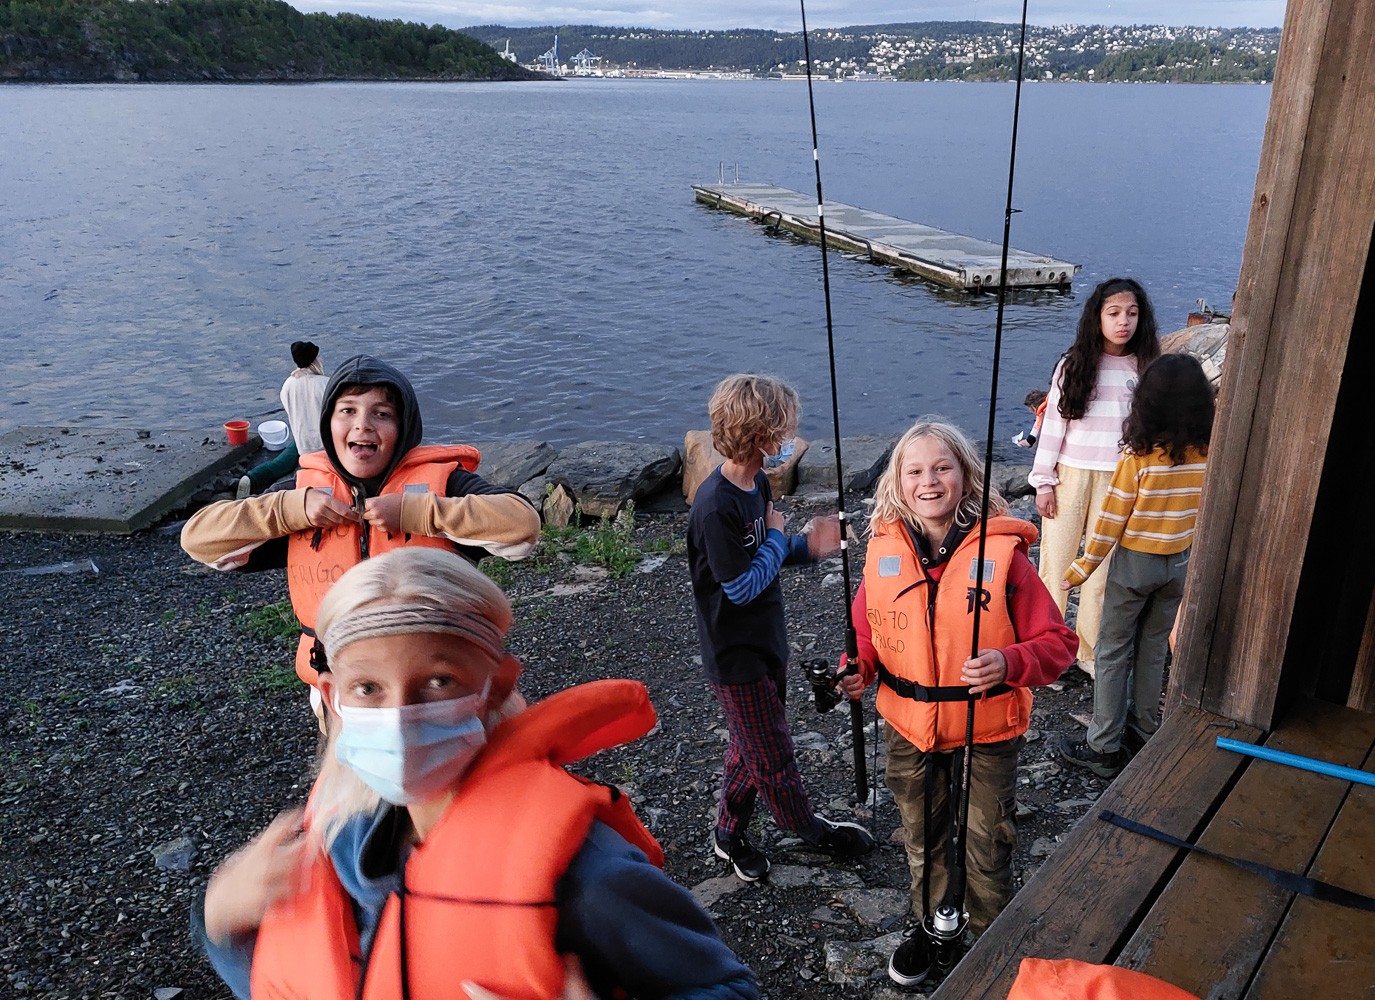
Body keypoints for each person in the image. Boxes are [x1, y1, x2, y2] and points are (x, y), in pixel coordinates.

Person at [195, 547, 759, 1000]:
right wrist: (220, 920)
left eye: (438, 681)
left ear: (499, 685)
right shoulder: (329, 842)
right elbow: (278, 977)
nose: (399, 716)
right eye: (367, 688)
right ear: (331, 696)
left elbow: (728, 987)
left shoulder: (587, 876)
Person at [837, 419, 1076, 987]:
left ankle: (995, 945)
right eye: (914, 470)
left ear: (966, 476)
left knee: (988, 841)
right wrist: (857, 671)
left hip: (986, 730)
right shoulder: (882, 553)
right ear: (897, 482)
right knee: (922, 835)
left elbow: (1058, 644)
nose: (929, 480)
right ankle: (929, 925)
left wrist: (1009, 662)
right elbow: (868, 635)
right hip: (908, 727)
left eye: (942, 467)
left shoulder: (1006, 557)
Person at [182, 355, 541, 696]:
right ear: (328, 423)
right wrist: (288, 509)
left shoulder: (445, 484)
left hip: (439, 685)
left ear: (404, 427)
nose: (363, 424)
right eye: (347, 411)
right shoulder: (299, 495)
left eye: (381, 413)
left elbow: (522, 523)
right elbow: (198, 538)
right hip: (341, 690)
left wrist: (420, 514)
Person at [686, 373, 874, 883]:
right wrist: (776, 535)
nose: (791, 439)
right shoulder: (714, 507)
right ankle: (807, 827)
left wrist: (809, 546)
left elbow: (767, 556)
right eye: (785, 431)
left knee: (752, 743)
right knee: (773, 754)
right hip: (735, 655)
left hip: (768, 641)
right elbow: (742, 586)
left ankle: (728, 832)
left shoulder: (758, 484)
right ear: (759, 438)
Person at [1057, 354, 1213, 778]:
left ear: (1146, 403)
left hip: (1135, 565)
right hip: (1176, 564)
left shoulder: (1139, 458)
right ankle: (1144, 731)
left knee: (1112, 652)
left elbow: (1110, 523)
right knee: (1152, 650)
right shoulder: (1206, 454)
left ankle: (1103, 745)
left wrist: (1079, 570)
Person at [1029, 278, 1160, 678]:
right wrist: (1044, 481)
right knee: (1057, 563)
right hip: (1071, 475)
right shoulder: (1075, 364)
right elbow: (1054, 425)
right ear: (1097, 317)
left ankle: (1089, 650)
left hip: (1119, 481)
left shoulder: (1145, 367)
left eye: (1132, 314)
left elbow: (1147, 432)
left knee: (1101, 570)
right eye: (1114, 313)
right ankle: (1046, 649)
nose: (1124, 322)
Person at [236, 341, 330, 498]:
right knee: (303, 470)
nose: (321, 359)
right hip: (324, 446)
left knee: (279, 464)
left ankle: (252, 478)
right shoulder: (326, 384)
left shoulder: (288, 384)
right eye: (319, 356)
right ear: (314, 360)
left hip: (301, 440)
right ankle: (286, 489)